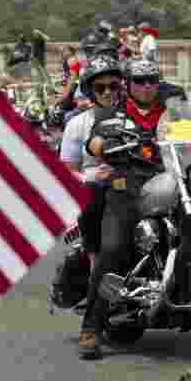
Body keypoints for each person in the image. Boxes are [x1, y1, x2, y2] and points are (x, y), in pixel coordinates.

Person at [77, 58, 167, 360]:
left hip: (168, 185)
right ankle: (91, 328)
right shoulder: (115, 116)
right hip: (126, 191)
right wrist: (103, 146)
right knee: (113, 249)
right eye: (140, 81)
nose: (146, 86)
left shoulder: (169, 113)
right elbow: (94, 143)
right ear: (128, 85)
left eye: (152, 80)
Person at [59, 57, 124, 270]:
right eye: (100, 87)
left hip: (131, 186)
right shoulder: (77, 125)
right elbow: (67, 172)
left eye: (113, 86)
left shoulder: (132, 119)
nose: (107, 92)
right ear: (90, 91)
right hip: (96, 191)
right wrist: (93, 177)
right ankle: (95, 266)